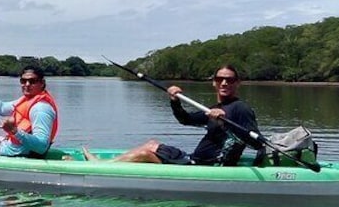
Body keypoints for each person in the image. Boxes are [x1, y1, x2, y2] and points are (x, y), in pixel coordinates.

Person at [83, 64, 261, 166]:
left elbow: (256, 142)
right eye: (219, 79)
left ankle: (101, 167)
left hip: (210, 165)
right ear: (213, 83)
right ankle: (110, 162)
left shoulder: (241, 109)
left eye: (229, 80)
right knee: (152, 144)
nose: (224, 83)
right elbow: (185, 120)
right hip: (194, 158)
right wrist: (174, 100)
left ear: (238, 83)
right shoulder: (216, 107)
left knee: (144, 153)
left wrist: (226, 124)